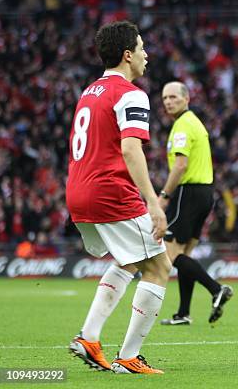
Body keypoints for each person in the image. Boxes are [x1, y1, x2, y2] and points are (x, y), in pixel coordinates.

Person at [66, 21, 171, 374]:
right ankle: (128, 357)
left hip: (78, 191)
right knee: (159, 266)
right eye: (141, 48)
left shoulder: (90, 90)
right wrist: (154, 205)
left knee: (129, 260)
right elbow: (130, 149)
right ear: (128, 55)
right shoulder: (131, 93)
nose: (146, 54)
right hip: (110, 191)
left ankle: (90, 337)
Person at [157, 81, 233, 326]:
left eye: (173, 97)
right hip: (205, 192)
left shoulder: (183, 125)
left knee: (170, 255)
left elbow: (180, 165)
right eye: (165, 98)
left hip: (188, 192)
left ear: (186, 99)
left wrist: (164, 195)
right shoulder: (194, 124)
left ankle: (216, 289)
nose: (168, 101)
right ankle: (183, 313)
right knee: (185, 254)